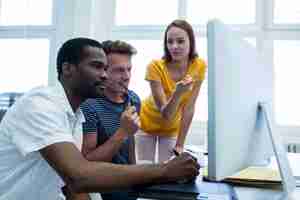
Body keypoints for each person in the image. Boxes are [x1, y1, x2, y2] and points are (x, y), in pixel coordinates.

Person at [0, 37, 200, 200]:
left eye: (106, 68)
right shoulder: (40, 105)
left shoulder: (75, 116)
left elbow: (70, 186)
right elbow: (79, 176)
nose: (104, 75)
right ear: (67, 68)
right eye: (97, 67)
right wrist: (165, 170)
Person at [136, 19, 207, 163]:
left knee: (168, 173)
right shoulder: (155, 67)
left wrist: (180, 143)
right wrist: (178, 93)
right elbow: (166, 114)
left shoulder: (199, 66)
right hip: (146, 122)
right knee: (145, 170)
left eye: (180, 41)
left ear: (190, 42)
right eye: (170, 42)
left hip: (171, 129)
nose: (174, 46)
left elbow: (189, 107)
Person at [80, 40, 140, 200]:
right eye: (119, 70)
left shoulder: (133, 99)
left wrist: (135, 174)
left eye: (129, 69)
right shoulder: (89, 106)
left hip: (129, 185)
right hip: (103, 190)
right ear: (104, 72)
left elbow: (130, 142)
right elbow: (87, 162)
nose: (126, 76)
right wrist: (122, 131)